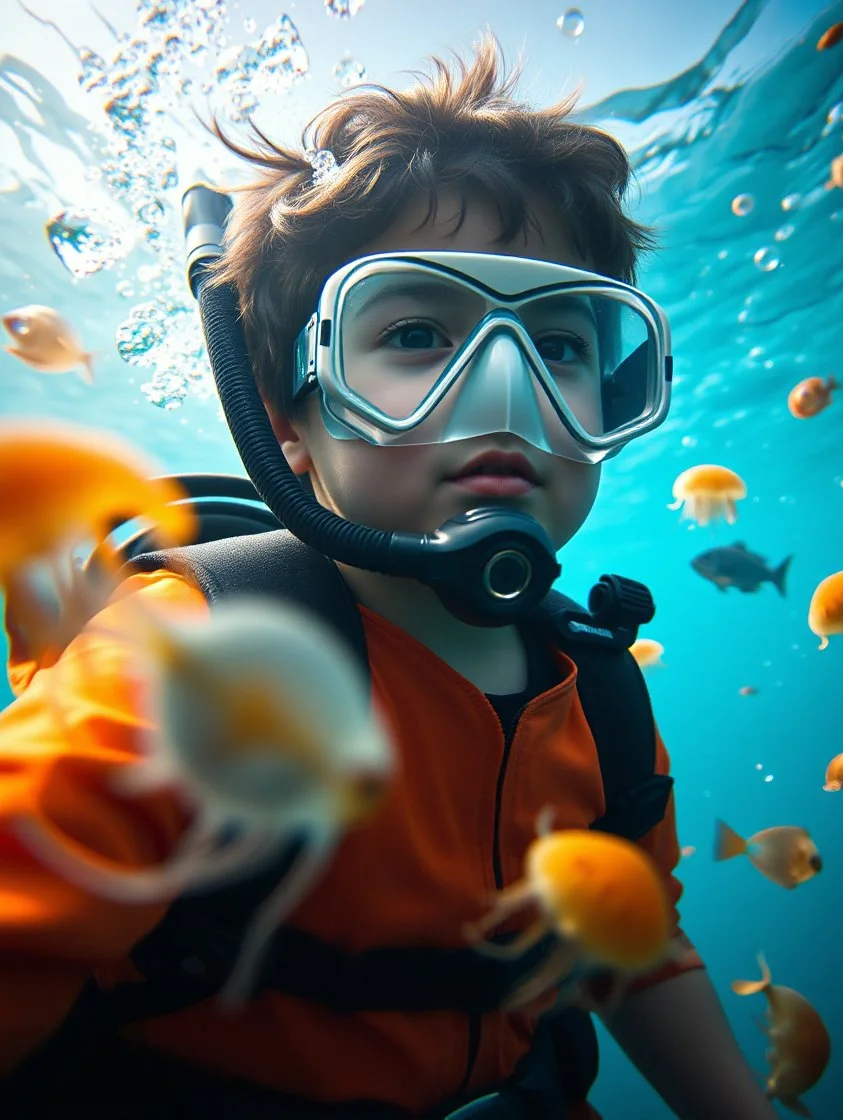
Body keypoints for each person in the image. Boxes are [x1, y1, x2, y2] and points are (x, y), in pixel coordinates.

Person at [0, 36, 777, 1120]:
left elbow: (631, 946)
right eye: (416, 333)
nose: (504, 395)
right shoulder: (180, 664)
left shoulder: (598, 690)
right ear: (286, 421)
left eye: (559, 345)